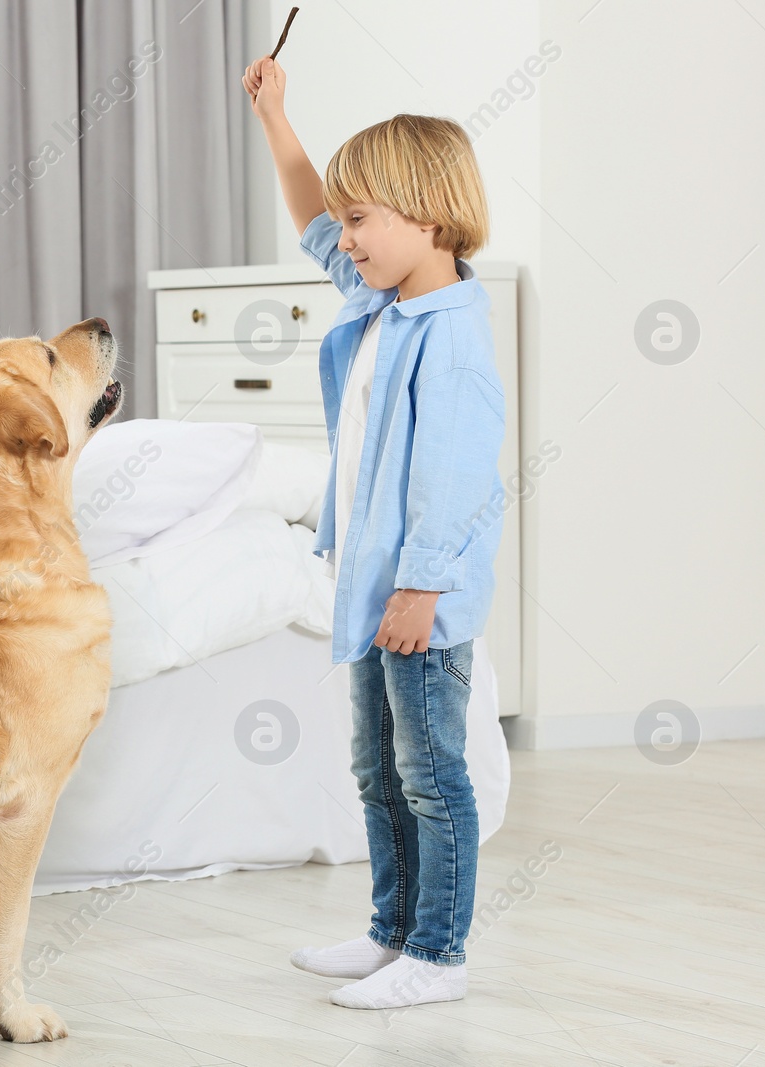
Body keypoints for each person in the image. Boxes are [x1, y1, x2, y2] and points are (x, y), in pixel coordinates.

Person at [242, 55, 505, 1009]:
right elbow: (313, 215)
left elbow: (455, 479)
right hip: (374, 588)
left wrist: (422, 586)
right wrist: (277, 117)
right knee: (379, 768)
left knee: (431, 775)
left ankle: (438, 954)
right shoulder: (380, 304)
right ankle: (391, 930)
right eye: (347, 222)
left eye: (362, 221)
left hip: (417, 600)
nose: (340, 240)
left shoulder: (453, 337)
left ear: (426, 218)